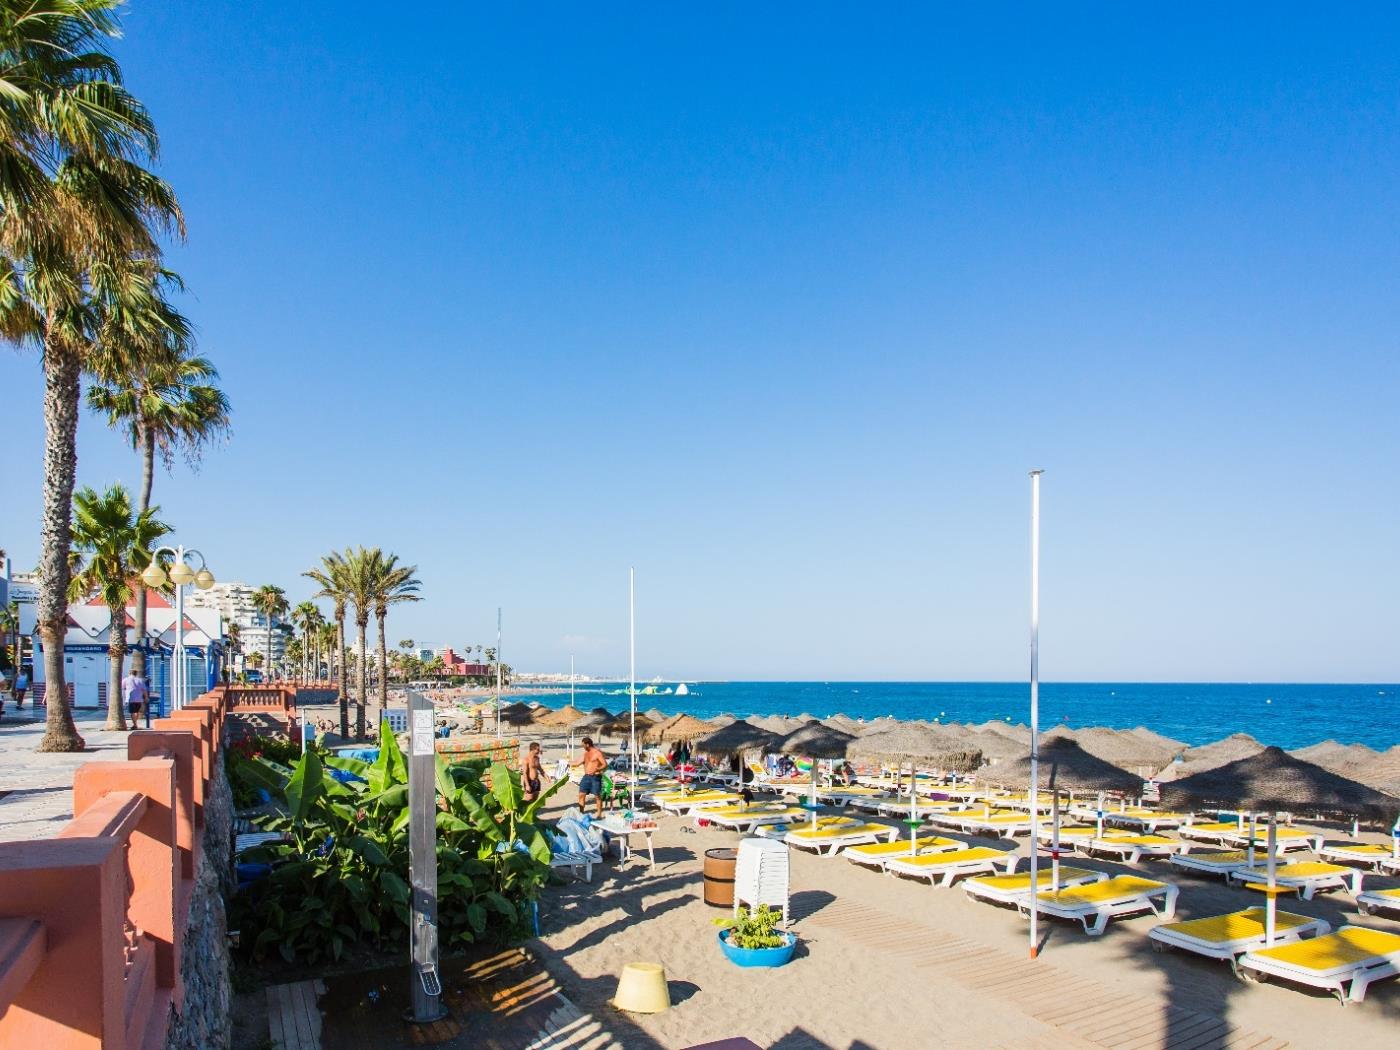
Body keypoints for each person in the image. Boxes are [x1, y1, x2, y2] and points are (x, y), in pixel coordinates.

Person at [574, 736, 607, 818]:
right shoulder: (585, 754)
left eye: (583, 745)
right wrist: (567, 763)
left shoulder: (597, 753)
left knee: (597, 796)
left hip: (595, 777)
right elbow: (577, 763)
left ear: (587, 744)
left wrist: (597, 769)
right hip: (586, 777)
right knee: (581, 794)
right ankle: (581, 813)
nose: (583, 747)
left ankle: (599, 814)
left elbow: (605, 764)